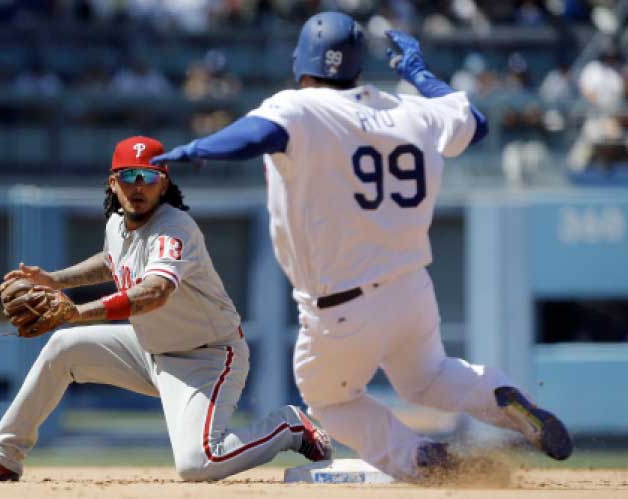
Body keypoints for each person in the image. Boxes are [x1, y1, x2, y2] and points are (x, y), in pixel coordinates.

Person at [151, 12, 573, 482]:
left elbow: (256, 135)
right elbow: (474, 122)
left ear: (303, 62)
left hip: (341, 307)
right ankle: (503, 393)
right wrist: (419, 73)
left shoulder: (301, 106)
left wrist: (196, 149)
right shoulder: (413, 109)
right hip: (411, 289)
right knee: (430, 377)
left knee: (329, 400)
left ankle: (418, 457)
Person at [0, 136, 331, 482]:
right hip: (148, 347)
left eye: (148, 176)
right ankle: (4, 455)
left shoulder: (174, 228)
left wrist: (77, 313)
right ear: (113, 183)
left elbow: (154, 292)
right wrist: (56, 280)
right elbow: (112, 261)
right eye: (129, 176)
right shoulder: (118, 224)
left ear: (164, 184)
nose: (138, 185)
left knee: (198, 465)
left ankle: (289, 426)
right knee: (62, 348)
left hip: (206, 358)